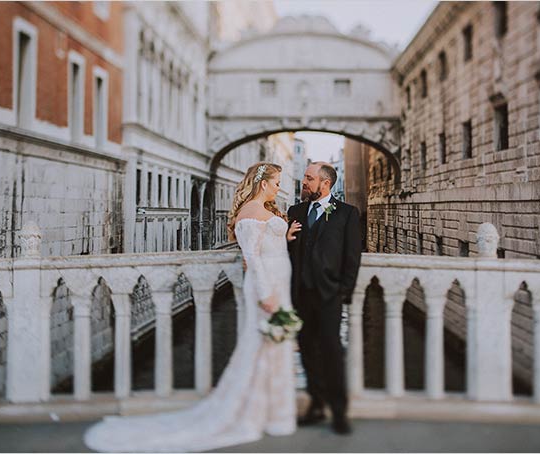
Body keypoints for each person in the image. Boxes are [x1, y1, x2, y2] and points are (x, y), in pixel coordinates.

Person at [84, 162, 297, 452]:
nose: (278, 187)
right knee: (261, 345)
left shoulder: (265, 211)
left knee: (275, 346)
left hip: (278, 283)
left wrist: (282, 238)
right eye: (276, 182)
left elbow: (266, 248)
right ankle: (254, 412)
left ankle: (274, 412)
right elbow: (252, 259)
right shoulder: (249, 214)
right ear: (263, 184)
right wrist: (266, 295)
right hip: (267, 287)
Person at [286, 161, 362, 435]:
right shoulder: (294, 211)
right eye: (305, 178)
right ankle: (317, 404)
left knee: (332, 353)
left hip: (330, 297)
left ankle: (339, 412)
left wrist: (343, 292)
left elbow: (352, 258)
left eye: (308, 178)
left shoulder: (347, 214)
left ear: (325, 183)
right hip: (300, 295)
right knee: (307, 351)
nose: (303, 182)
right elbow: (288, 252)